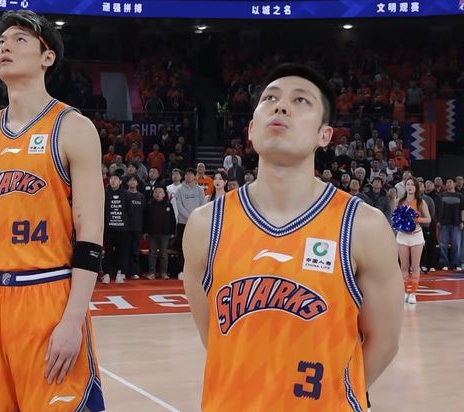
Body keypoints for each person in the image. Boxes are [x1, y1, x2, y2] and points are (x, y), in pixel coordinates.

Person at [182, 64, 403, 411]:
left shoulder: (363, 226)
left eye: (300, 101)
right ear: (251, 129)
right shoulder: (204, 225)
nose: (281, 106)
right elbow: (214, 336)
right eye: (270, 99)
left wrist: (332, 396)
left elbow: (385, 342)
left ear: (324, 135)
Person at [0, 10, 105, 412]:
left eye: (19, 39)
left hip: (46, 294)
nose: (5, 47)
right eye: (1, 42)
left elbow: (90, 234)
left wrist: (73, 320)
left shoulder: (73, 128)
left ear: (47, 57)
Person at [394, 177, 431, 304]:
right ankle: (405, 292)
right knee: (403, 266)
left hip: (416, 235)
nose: (410, 187)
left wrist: (416, 219)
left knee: (415, 267)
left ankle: (413, 293)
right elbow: (395, 218)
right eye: (408, 184)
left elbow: (428, 219)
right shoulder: (399, 201)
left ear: (416, 187)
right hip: (402, 236)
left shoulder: (421, 202)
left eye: (412, 185)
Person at [175, 167, 205, 279]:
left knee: (196, 247)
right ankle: (181, 270)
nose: (188, 176)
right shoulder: (179, 190)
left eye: (191, 174)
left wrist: (195, 217)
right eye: (186, 174)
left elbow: (202, 204)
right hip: (183, 223)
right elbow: (179, 206)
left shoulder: (200, 190)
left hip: (196, 223)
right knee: (182, 247)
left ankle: (196, 271)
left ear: (195, 176)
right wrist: (190, 217)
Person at [144, 186, 175, 280]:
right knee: (152, 253)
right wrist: (145, 232)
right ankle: (151, 273)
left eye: (160, 192)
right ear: (153, 194)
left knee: (163, 253)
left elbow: (172, 219)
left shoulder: (168, 205)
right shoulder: (149, 205)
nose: (158, 194)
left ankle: (163, 273)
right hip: (152, 233)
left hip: (165, 233)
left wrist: (172, 232)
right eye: (156, 192)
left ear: (164, 194)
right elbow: (145, 219)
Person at [103, 171, 128, 284]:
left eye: (115, 179)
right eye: (111, 179)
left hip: (122, 229)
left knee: (121, 251)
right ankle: (107, 274)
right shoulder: (105, 193)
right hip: (109, 228)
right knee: (108, 251)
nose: (113, 181)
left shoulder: (125, 194)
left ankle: (119, 273)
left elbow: (129, 211)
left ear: (120, 181)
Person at [438, 177, 464, 271]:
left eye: (450, 182)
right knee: (443, 245)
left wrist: (462, 221)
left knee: (456, 245)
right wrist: (438, 221)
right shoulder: (441, 195)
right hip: (444, 223)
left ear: (454, 184)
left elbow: (462, 209)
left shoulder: (460, 196)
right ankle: (444, 263)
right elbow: (439, 210)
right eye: (447, 182)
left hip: (456, 223)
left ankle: (456, 264)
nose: (448, 183)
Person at [125, 175, 145, 280]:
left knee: (135, 251)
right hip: (125, 228)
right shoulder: (124, 194)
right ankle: (124, 271)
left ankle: (135, 272)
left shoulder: (141, 196)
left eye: (134, 180)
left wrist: (144, 229)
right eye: (130, 180)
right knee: (125, 250)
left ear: (137, 183)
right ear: (127, 183)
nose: (132, 182)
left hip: (138, 228)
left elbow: (144, 213)